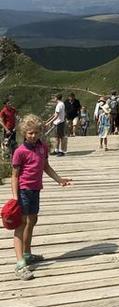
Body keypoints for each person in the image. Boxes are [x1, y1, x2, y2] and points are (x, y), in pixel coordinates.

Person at [9, 116, 73, 280]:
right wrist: (15, 197)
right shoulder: (20, 151)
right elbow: (15, 176)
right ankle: (20, 263)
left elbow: (45, 166)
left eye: (36, 132)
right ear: (24, 133)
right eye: (30, 133)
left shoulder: (42, 147)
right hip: (23, 191)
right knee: (21, 224)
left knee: (33, 220)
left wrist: (59, 180)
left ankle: (28, 253)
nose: (33, 136)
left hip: (36, 190)